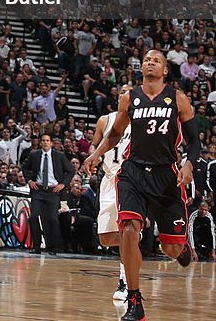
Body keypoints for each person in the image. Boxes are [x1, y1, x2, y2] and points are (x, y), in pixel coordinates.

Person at [84, 50, 197, 321]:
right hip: (133, 172)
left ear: (165, 70)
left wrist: (189, 165)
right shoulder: (129, 98)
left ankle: (181, 248)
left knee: (169, 248)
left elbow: (194, 142)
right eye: (147, 60)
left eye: (156, 60)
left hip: (166, 176)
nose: (150, 62)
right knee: (129, 229)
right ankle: (134, 300)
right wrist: (97, 153)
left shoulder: (178, 99)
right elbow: (115, 134)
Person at [90, 92, 132, 302]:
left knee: (127, 230)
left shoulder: (140, 122)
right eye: (122, 95)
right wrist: (92, 157)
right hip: (108, 179)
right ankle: (131, 240)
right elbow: (94, 145)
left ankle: (124, 281)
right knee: (105, 237)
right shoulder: (105, 120)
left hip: (130, 180)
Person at [22, 133, 74, 255]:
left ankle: (52, 247)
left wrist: (63, 184)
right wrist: (29, 180)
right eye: (43, 140)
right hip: (38, 190)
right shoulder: (34, 155)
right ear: (40, 143)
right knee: (33, 217)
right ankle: (36, 246)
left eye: (47, 140)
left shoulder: (59, 156)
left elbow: (71, 170)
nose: (45, 142)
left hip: (53, 191)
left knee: (53, 220)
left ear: (51, 143)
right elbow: (24, 167)